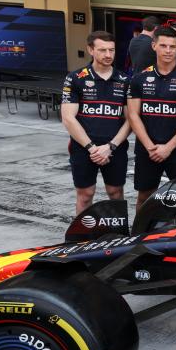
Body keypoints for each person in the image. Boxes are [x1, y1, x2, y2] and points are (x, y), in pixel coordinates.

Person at [125, 26, 176, 209]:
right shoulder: (139, 79)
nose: (168, 51)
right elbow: (133, 115)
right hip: (147, 149)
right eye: (163, 46)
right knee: (144, 196)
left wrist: (168, 147)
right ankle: (141, 235)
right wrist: (150, 146)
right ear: (154, 46)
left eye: (172, 47)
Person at [60, 31, 131, 214]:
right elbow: (68, 118)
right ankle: (82, 239)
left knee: (115, 192)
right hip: (83, 148)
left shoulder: (125, 80)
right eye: (102, 50)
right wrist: (92, 148)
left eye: (112, 50)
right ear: (90, 50)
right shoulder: (75, 78)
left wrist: (110, 146)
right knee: (85, 194)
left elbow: (131, 120)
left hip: (115, 148)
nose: (108, 55)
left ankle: (119, 236)